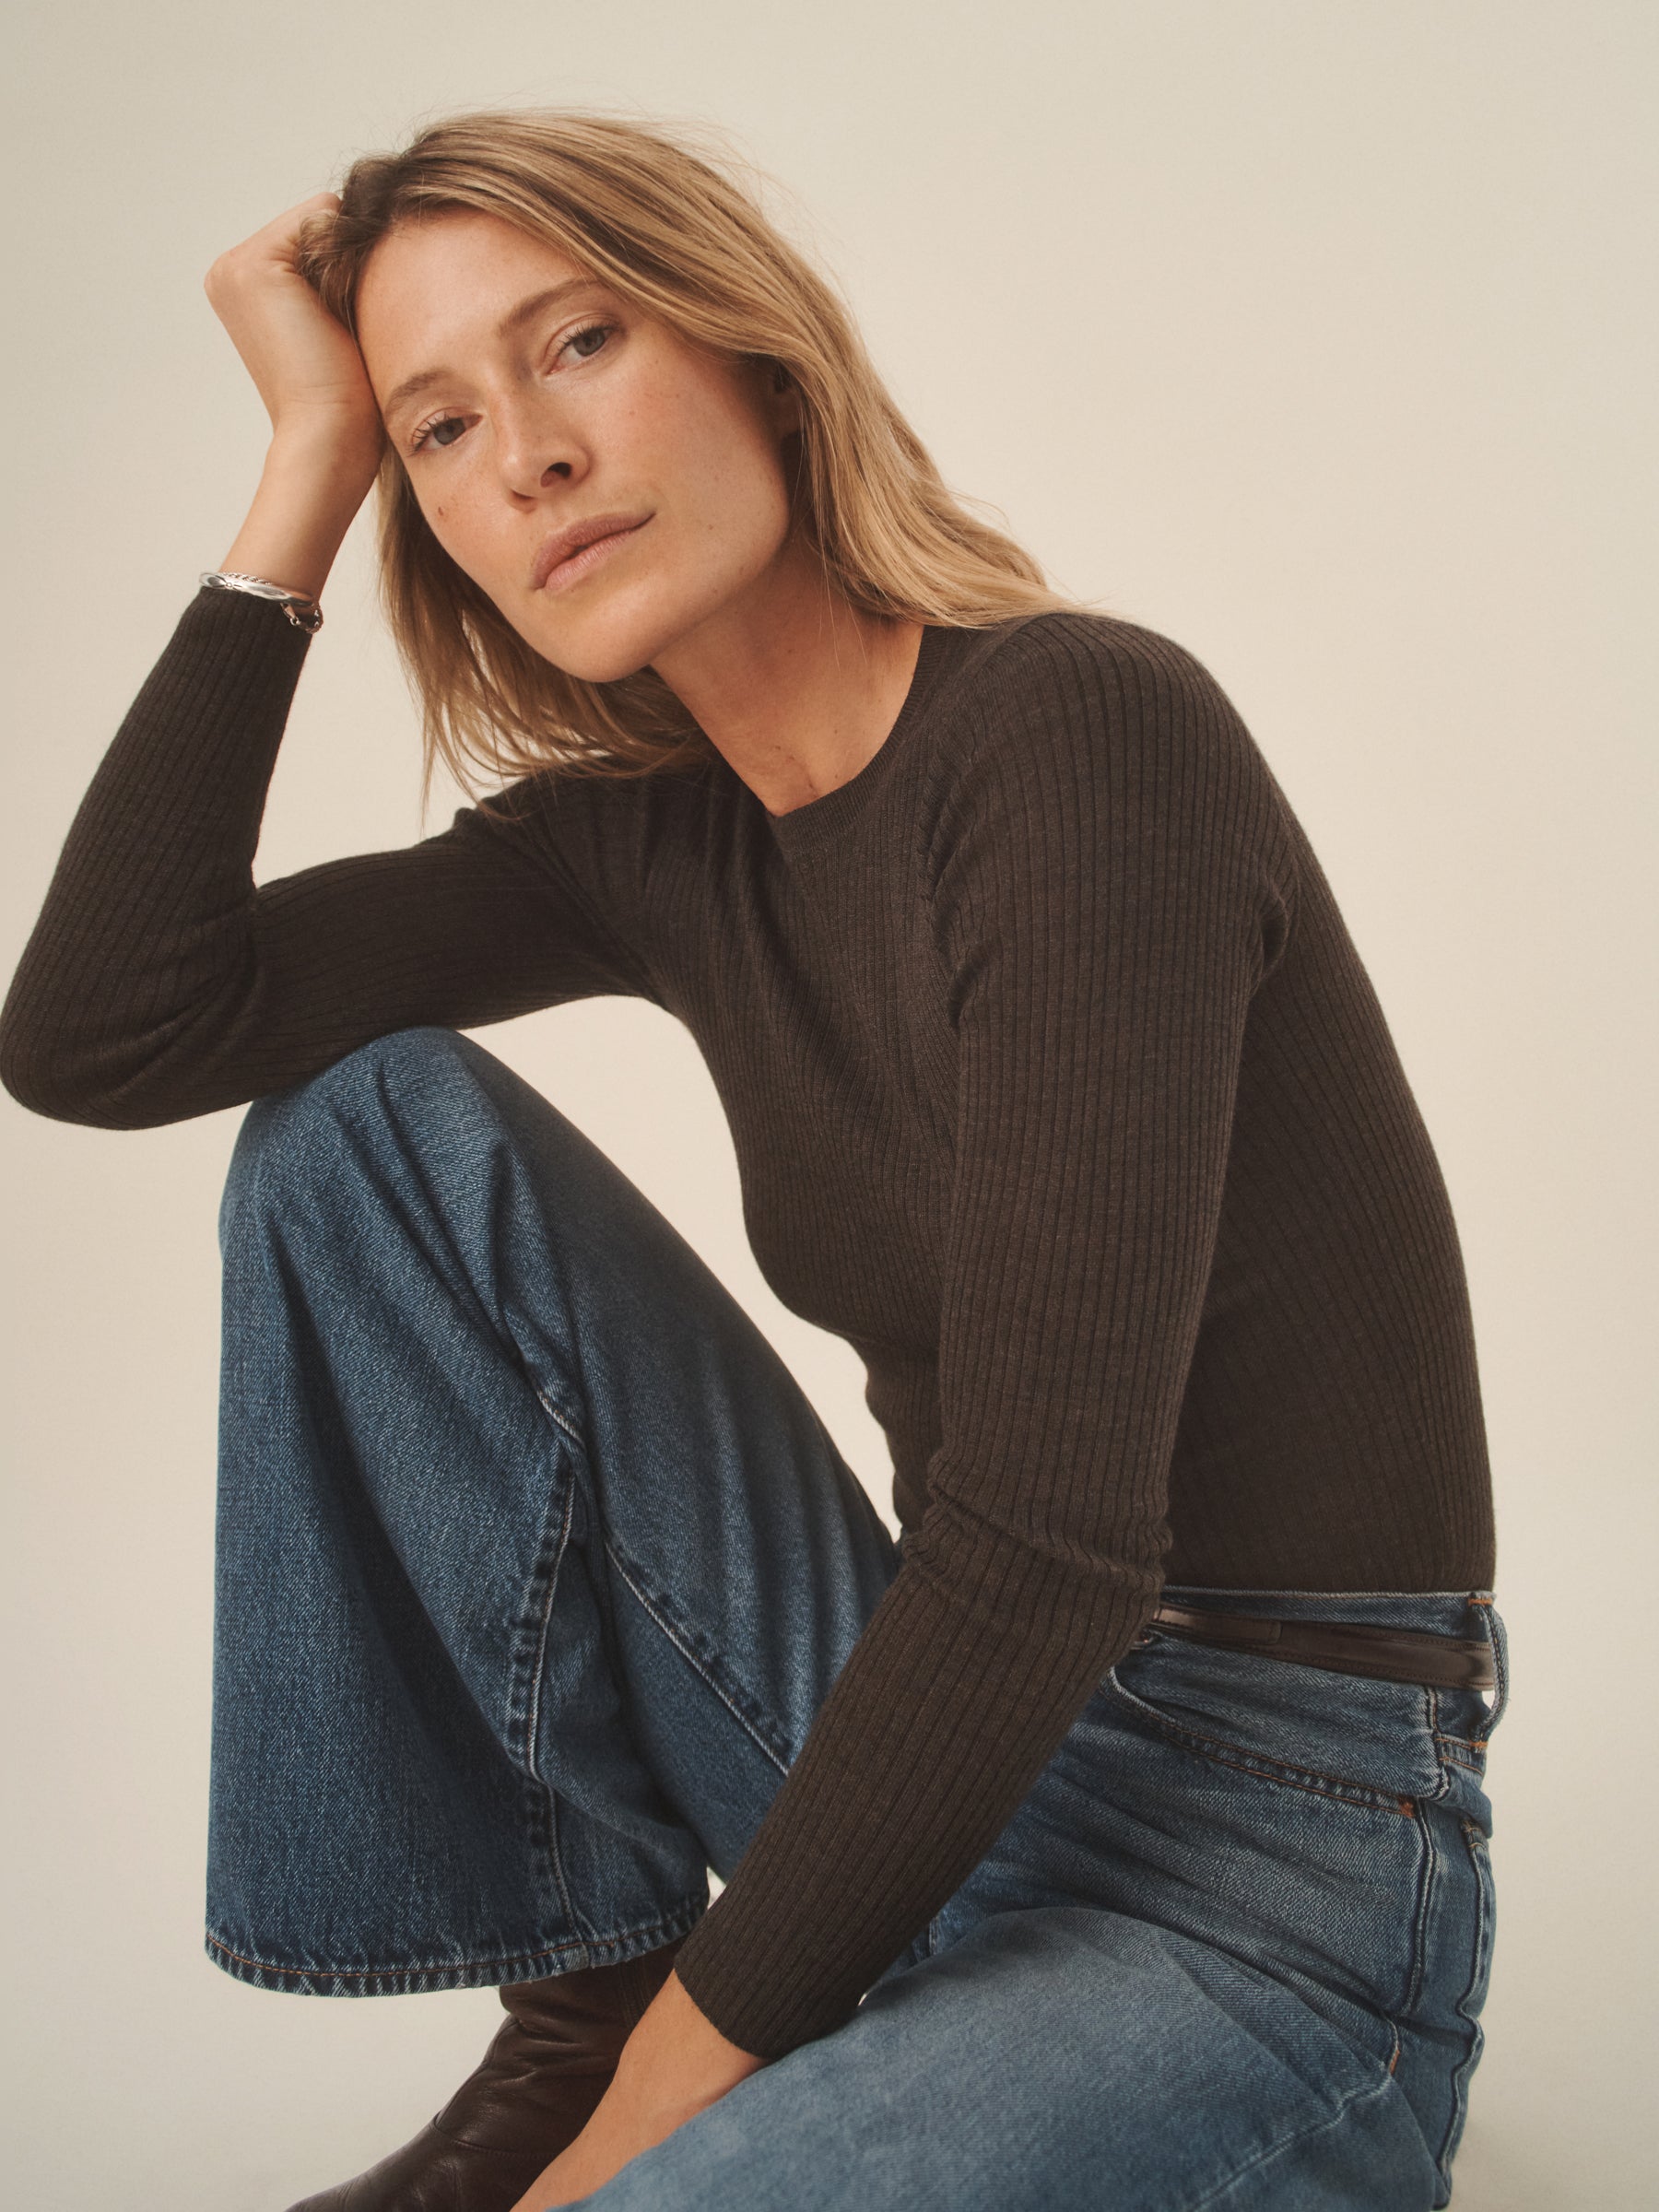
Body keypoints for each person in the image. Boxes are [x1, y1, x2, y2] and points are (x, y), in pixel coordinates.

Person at [0, 106, 1507, 2212]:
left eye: (579, 343)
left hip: (1273, 1864)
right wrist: (306, 469)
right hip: (943, 1755)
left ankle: (688, 2082)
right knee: (360, 1138)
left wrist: (648, 2139)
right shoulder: (656, 837)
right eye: (441, 428)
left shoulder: (1083, 739)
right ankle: (580, 2010)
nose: (525, 458)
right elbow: (103, 1031)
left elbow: (1046, 1549)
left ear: (755, 354)